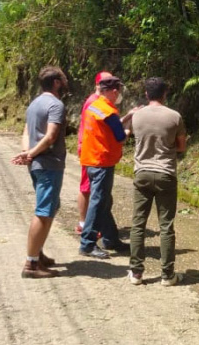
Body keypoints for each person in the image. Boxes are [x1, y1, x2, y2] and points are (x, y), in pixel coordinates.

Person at [127, 77, 187, 287]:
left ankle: (136, 273)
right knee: (166, 226)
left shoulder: (137, 116)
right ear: (165, 94)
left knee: (138, 224)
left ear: (146, 94)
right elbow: (181, 147)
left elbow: (131, 136)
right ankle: (167, 275)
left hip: (142, 173)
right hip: (165, 174)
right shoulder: (175, 117)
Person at [10, 66, 68, 279]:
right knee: (44, 211)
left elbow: (26, 131)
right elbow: (51, 135)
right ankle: (31, 264)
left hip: (36, 164)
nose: (65, 81)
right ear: (56, 83)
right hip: (48, 164)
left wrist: (27, 153)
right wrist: (32, 153)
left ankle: (38, 252)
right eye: (62, 79)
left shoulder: (34, 104)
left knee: (51, 206)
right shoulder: (55, 104)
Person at [79, 73, 132, 258]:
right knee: (99, 201)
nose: (119, 94)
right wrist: (128, 128)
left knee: (103, 201)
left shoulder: (94, 106)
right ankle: (87, 243)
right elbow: (120, 136)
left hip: (91, 159)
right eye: (118, 91)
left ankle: (111, 239)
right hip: (102, 161)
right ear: (114, 91)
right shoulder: (109, 111)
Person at [75, 71, 108, 234]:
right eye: (106, 81)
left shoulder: (97, 101)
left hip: (91, 148)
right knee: (87, 188)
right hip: (90, 149)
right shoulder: (93, 102)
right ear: (97, 85)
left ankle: (89, 222)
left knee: (91, 188)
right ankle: (84, 224)